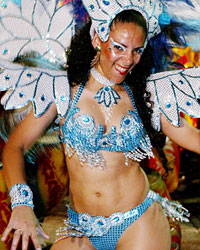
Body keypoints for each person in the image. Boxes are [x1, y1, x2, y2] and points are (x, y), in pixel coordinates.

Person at [1, 1, 200, 250]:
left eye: (137, 50)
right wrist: (21, 204)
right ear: (97, 39)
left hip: (138, 222)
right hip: (80, 229)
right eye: (119, 47)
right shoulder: (63, 93)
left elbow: (190, 136)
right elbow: (14, 147)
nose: (128, 59)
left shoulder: (144, 94)